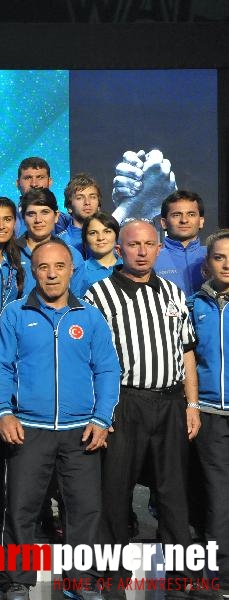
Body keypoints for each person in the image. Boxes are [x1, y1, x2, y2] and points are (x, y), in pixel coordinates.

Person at [84, 220, 212, 599]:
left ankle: (180, 578)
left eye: (149, 244)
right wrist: (101, 412)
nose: (142, 251)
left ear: (159, 248)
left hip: (171, 402)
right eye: (133, 244)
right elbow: (89, 358)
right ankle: (112, 578)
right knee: (115, 491)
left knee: (174, 493)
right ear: (119, 249)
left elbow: (186, 352)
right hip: (125, 402)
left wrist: (192, 403)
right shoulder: (99, 294)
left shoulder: (173, 293)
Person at [0, 239, 121, 600]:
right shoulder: (14, 313)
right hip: (28, 429)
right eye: (44, 267)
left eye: (59, 267)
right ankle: (16, 579)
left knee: (85, 509)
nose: (51, 274)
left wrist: (101, 418)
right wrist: (4, 412)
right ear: (34, 271)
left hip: (81, 431)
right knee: (21, 507)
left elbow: (108, 370)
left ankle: (81, 580)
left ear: (71, 270)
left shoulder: (90, 316)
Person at [189, 229, 229, 590]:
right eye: (219, 257)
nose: (227, 264)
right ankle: (220, 574)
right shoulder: (192, 305)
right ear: (207, 264)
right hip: (212, 415)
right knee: (218, 496)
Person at [15, 188, 88, 297]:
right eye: (31, 214)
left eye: (45, 212)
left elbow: (77, 302)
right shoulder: (9, 252)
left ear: (56, 216)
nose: (38, 220)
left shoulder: (72, 255)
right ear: (23, 218)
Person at [155, 190, 207, 296]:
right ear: (164, 223)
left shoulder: (214, 255)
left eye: (191, 214)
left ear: (201, 221)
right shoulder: (151, 258)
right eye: (176, 215)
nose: (184, 220)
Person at [13, 157, 70, 237]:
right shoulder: (7, 220)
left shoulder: (66, 222)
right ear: (18, 183)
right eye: (28, 178)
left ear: (50, 182)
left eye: (40, 177)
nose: (34, 184)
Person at [58, 173, 101, 257]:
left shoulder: (111, 239)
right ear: (69, 207)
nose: (87, 202)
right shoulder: (58, 243)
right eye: (79, 198)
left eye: (92, 197)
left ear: (99, 205)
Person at [82, 211, 121, 288]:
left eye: (107, 232)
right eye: (93, 233)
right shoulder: (80, 271)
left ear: (116, 236)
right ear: (85, 239)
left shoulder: (129, 267)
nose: (100, 238)